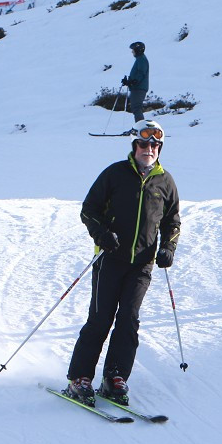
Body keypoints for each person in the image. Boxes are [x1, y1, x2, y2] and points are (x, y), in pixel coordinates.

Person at [64, 119, 181, 407]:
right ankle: (79, 378)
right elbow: (88, 210)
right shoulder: (115, 174)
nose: (148, 149)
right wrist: (102, 234)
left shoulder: (165, 181)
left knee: (128, 319)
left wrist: (167, 247)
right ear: (135, 145)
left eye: (154, 145)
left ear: (159, 149)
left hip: (141, 265)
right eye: (143, 143)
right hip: (110, 259)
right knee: (101, 317)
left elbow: (172, 221)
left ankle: (114, 377)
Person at [121, 41, 149, 125]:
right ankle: (140, 127)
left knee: (136, 107)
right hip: (137, 87)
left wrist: (134, 81)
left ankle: (141, 128)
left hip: (139, 88)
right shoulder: (139, 59)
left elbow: (141, 73)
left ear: (138, 50)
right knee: (135, 107)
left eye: (133, 50)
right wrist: (129, 82)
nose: (132, 51)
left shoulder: (141, 59)